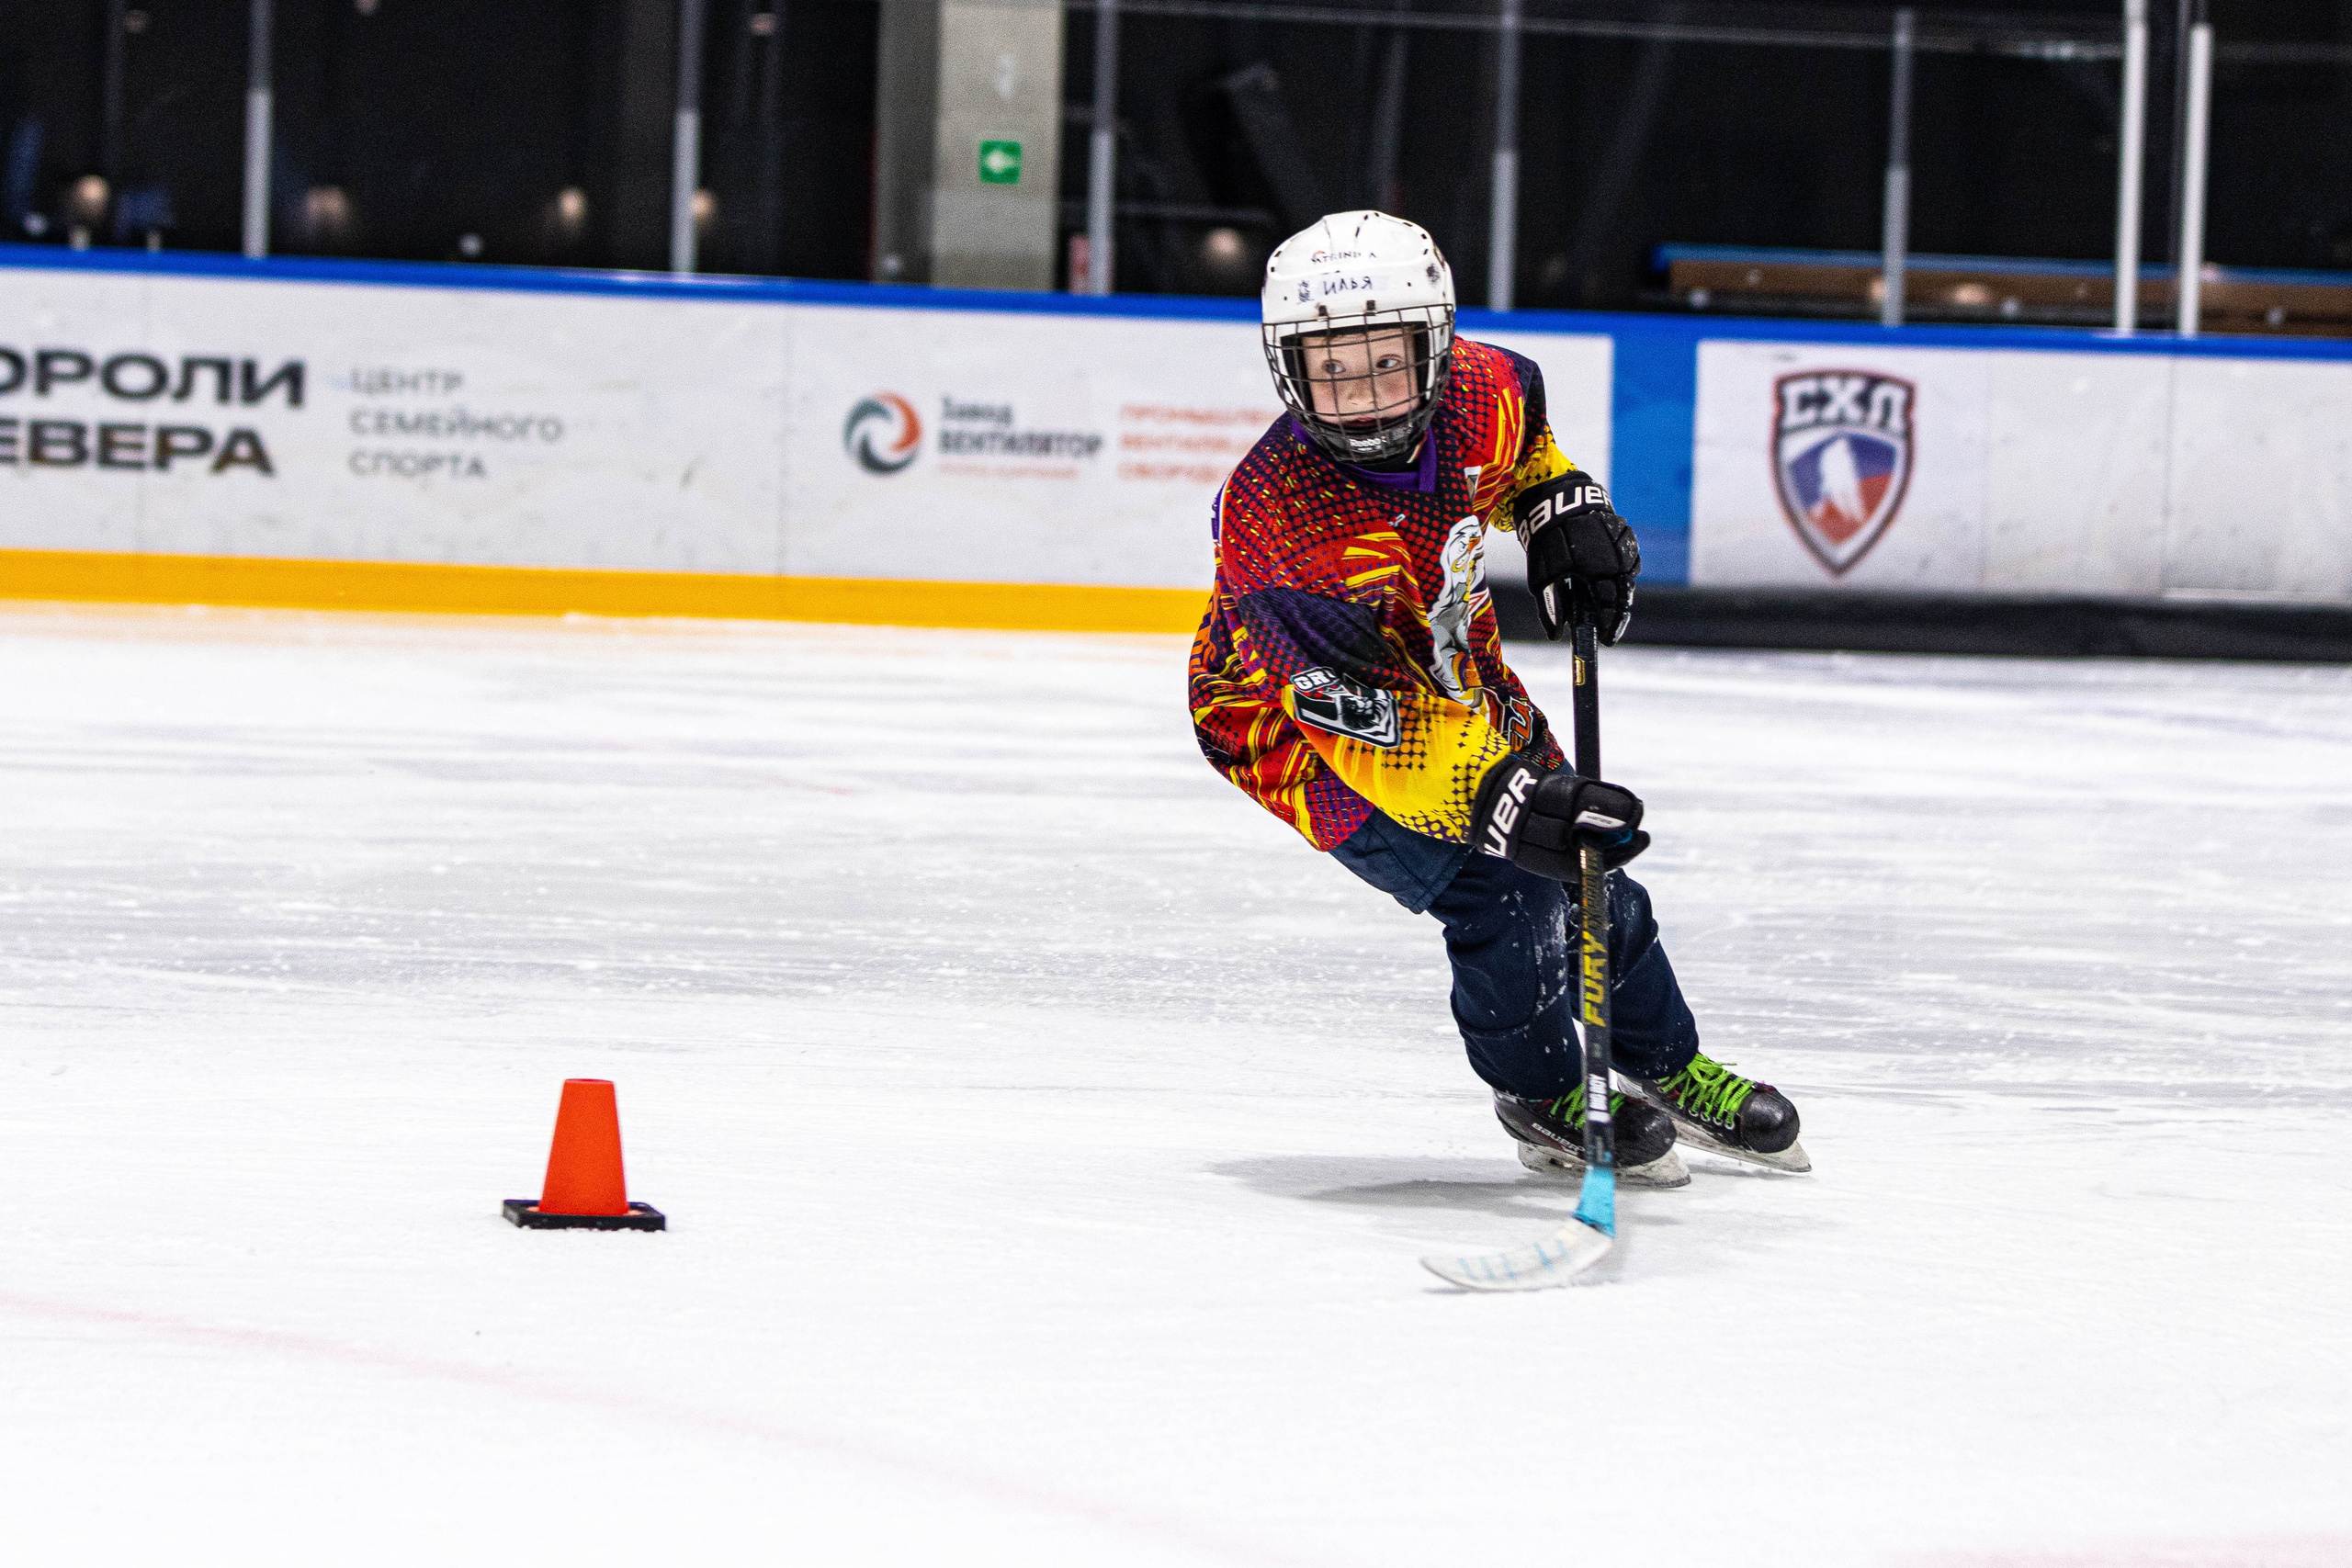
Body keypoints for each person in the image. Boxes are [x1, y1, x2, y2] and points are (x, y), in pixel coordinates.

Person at [1188, 210, 1807, 1182]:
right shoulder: (1277, 519)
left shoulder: (1490, 388)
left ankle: (1665, 1063)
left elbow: (1524, 464)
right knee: (1503, 888)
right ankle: (1542, 1092)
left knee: (1590, 872)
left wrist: (1561, 508)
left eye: (1385, 363)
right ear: (1286, 368)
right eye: (1331, 368)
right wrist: (1497, 799)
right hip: (1297, 725)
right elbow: (1362, 721)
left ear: (1435, 347)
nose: (1362, 398)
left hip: (1452, 665)